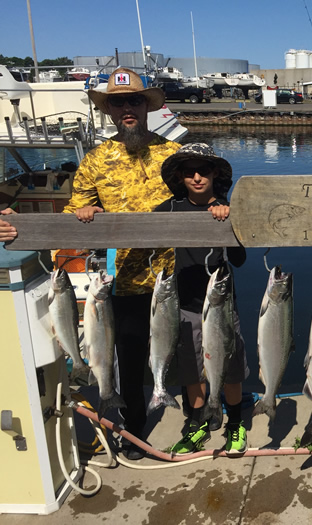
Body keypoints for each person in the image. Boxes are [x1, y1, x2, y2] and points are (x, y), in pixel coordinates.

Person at [0, 67, 182, 460]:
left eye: (134, 100)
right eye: (119, 102)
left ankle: (196, 414)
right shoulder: (96, 160)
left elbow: (197, 198)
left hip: (170, 276)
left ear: (147, 107)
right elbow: (72, 210)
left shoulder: (173, 155)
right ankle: (134, 428)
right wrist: (82, 211)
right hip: (121, 280)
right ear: (110, 111)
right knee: (125, 356)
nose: (127, 109)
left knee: (176, 352)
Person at [154, 143, 249, 455]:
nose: (196, 177)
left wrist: (229, 220)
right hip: (183, 304)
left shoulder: (226, 208)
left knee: (230, 369)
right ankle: (197, 424)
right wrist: (94, 212)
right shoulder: (169, 209)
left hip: (221, 306)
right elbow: (134, 228)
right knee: (192, 372)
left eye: (203, 171)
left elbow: (239, 260)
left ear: (215, 174)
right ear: (180, 176)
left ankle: (234, 423)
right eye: (189, 171)